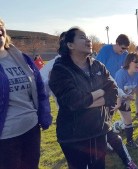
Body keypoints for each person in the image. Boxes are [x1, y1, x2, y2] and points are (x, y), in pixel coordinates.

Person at [49, 27, 118, 169]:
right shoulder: (60, 69)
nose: (88, 40)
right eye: (82, 37)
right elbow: (73, 101)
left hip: (99, 130)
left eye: (87, 37)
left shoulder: (98, 65)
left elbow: (113, 92)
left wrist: (88, 100)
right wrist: (100, 92)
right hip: (74, 136)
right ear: (70, 45)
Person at [0, 18, 52, 169]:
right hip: (6, 138)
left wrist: (43, 115)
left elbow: (39, 88)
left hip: (31, 129)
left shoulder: (20, 57)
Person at [96, 34, 138, 168]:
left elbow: (127, 71)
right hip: (107, 90)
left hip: (121, 89)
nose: (124, 51)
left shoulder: (125, 55)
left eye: (126, 48)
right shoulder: (105, 50)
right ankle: (107, 144)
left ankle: (130, 140)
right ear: (117, 43)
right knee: (108, 118)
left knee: (127, 115)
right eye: (122, 48)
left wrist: (126, 91)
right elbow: (97, 68)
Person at [115, 53, 138, 148]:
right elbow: (117, 91)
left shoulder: (137, 74)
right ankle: (104, 144)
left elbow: (134, 89)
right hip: (112, 99)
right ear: (129, 62)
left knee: (128, 120)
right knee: (105, 122)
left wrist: (127, 100)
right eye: (136, 61)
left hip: (124, 99)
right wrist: (118, 104)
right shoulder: (121, 74)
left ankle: (129, 142)